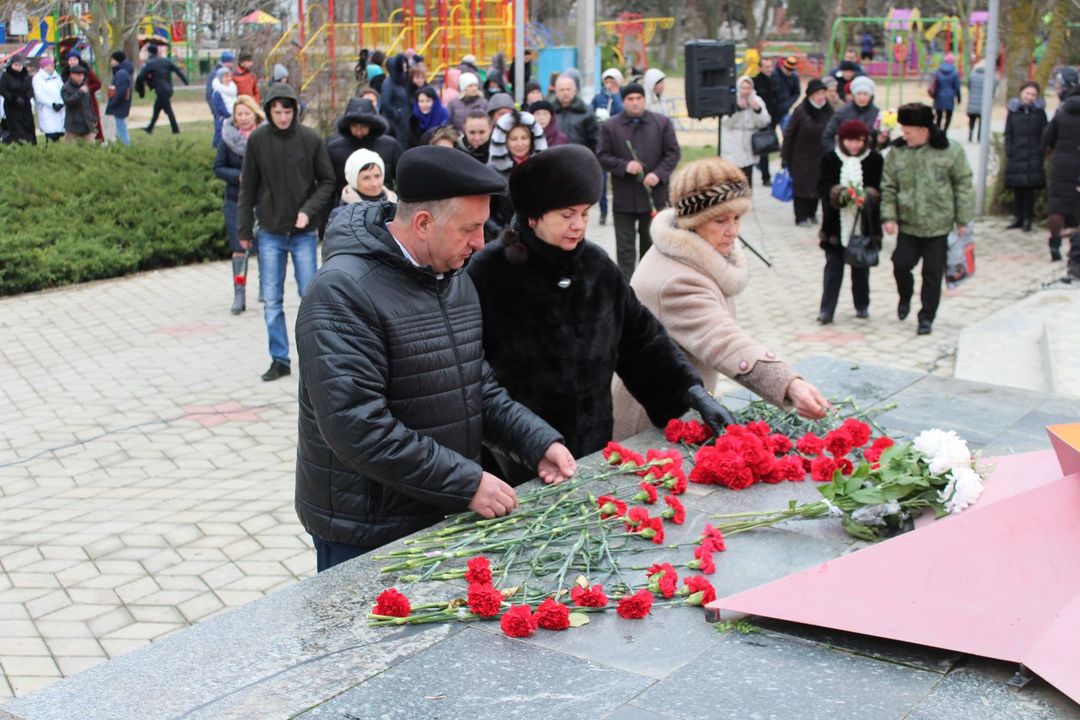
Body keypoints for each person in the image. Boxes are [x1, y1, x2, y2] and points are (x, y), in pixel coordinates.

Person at [295, 145, 575, 570]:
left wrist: (535, 440)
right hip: (368, 529)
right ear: (423, 223)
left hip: (438, 508)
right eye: (469, 229)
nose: (480, 243)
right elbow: (357, 426)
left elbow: (474, 384)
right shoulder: (341, 291)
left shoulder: (453, 277)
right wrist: (466, 483)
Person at [466, 144, 736, 484]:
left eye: (585, 213)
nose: (578, 226)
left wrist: (691, 393)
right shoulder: (489, 273)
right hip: (519, 458)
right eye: (567, 215)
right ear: (533, 215)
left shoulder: (596, 266)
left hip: (593, 449)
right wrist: (523, 443)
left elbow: (641, 341)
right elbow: (471, 373)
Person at [612, 157, 829, 439]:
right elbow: (723, 339)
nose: (733, 231)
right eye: (721, 220)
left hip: (682, 404)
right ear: (694, 222)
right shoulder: (675, 280)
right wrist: (789, 384)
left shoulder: (693, 252)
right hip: (651, 419)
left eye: (737, 218)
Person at [237, 83, 336, 381]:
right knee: (271, 299)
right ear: (268, 111)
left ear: (295, 111)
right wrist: (243, 229)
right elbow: (248, 187)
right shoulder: (257, 140)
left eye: (287, 111)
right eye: (276, 112)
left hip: (303, 232)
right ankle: (279, 358)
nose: (282, 117)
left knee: (310, 295)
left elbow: (328, 181)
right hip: (270, 231)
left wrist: (309, 210)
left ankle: (317, 358)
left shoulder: (309, 139)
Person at [881, 103, 974, 335]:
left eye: (908, 130)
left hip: (938, 226)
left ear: (924, 130)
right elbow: (888, 186)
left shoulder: (951, 151)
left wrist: (963, 220)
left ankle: (927, 317)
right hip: (909, 225)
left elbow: (963, 186)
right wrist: (889, 217)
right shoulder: (898, 153)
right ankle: (905, 297)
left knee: (932, 275)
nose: (905, 135)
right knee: (901, 264)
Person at [598, 82, 680, 277]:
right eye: (630, 99)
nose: (635, 103)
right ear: (623, 101)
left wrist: (657, 174)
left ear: (644, 100)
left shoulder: (661, 123)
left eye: (638, 99)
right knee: (625, 249)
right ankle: (626, 289)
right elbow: (602, 155)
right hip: (623, 199)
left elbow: (673, 153)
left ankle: (648, 285)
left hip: (653, 198)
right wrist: (624, 166)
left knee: (651, 246)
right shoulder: (611, 126)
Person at [817, 119, 883, 323]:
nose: (854, 146)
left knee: (861, 268)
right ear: (841, 140)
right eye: (849, 141)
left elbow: (881, 188)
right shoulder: (830, 159)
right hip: (835, 224)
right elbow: (823, 186)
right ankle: (827, 309)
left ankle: (862, 305)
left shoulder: (874, 159)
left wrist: (868, 196)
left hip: (864, 224)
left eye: (858, 141)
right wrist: (840, 194)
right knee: (833, 268)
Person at [214, 95, 263, 314]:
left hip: (263, 200)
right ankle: (239, 294)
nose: (243, 118)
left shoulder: (265, 137)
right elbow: (219, 167)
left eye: (246, 113)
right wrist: (239, 176)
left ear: (255, 114)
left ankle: (266, 288)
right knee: (238, 247)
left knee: (265, 245)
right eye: (239, 114)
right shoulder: (228, 137)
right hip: (236, 200)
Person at [326, 97, 404, 203]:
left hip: (384, 206)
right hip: (346, 209)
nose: (358, 132)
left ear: (372, 126)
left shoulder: (390, 145)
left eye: (363, 126)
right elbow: (328, 185)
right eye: (354, 126)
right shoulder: (334, 149)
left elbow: (404, 179)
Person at [486, 109, 546, 238]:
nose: (520, 144)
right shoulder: (493, 171)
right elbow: (485, 212)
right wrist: (500, 233)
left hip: (540, 238)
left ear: (532, 140)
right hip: (504, 240)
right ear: (505, 141)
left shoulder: (545, 169)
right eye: (513, 139)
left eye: (524, 138)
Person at [782, 79, 834, 226]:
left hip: (821, 156)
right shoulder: (801, 110)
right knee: (801, 187)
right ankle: (801, 216)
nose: (821, 96)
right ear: (810, 94)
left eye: (823, 93)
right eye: (818, 93)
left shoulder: (828, 110)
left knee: (817, 186)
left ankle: (812, 213)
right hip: (801, 157)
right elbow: (789, 135)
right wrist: (785, 157)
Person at [1041, 85, 1080, 272]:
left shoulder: (1061, 113)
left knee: (1057, 205)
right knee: (1076, 205)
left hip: (1061, 165)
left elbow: (1046, 138)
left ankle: (1055, 245)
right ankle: (1075, 248)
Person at [1003, 81, 1047, 233]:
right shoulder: (1013, 111)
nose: (1029, 97)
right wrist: (1009, 149)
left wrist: (1040, 151)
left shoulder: (1039, 112)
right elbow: (1008, 132)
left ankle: (1028, 218)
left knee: (1029, 189)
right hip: (1017, 154)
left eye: (1033, 94)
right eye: (1027, 93)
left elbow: (1045, 133)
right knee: (1017, 188)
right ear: (1021, 93)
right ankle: (1018, 217)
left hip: (1033, 155)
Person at [720, 76, 771, 187]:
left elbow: (764, 122)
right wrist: (738, 110)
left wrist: (757, 110)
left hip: (749, 144)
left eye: (748, 88)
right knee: (734, 179)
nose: (746, 91)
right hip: (733, 143)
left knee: (748, 179)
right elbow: (726, 123)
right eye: (743, 88)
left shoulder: (757, 100)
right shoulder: (732, 100)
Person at [592, 69, 626, 224]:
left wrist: (616, 95)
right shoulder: (599, 97)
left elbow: (623, 113)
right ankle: (603, 211)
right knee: (602, 180)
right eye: (607, 81)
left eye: (612, 81)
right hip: (602, 143)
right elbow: (590, 114)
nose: (609, 84)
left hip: (618, 143)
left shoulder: (622, 97)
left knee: (619, 178)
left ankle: (619, 210)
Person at [136, 43, 188, 134]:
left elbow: (140, 77)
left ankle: (175, 129)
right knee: (157, 108)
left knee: (168, 110)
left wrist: (141, 89)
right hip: (168, 89)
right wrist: (185, 81)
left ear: (149, 53)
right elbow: (177, 70)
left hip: (161, 90)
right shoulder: (166, 61)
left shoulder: (150, 63)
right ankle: (150, 128)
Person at [821, 75, 882, 152]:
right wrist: (835, 154)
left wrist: (882, 141)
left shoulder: (877, 114)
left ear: (870, 96)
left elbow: (882, 142)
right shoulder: (842, 112)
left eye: (865, 94)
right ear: (853, 95)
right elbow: (827, 136)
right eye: (859, 94)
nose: (862, 98)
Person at [63, 51, 103, 142]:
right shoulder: (65, 73)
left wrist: (87, 90)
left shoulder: (86, 69)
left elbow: (97, 83)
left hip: (89, 100)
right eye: (70, 60)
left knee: (91, 125)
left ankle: (96, 140)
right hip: (74, 106)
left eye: (74, 59)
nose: (72, 62)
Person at [552, 73, 599, 151]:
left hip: (580, 158)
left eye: (568, 89)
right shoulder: (549, 112)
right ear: (556, 92)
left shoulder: (586, 112)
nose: (565, 93)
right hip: (554, 157)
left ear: (575, 91)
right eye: (562, 90)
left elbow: (595, 140)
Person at [753, 57, 778, 186]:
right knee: (762, 149)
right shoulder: (755, 82)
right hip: (758, 120)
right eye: (766, 67)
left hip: (771, 119)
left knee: (766, 148)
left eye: (770, 66)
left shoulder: (774, 80)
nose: (769, 69)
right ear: (760, 68)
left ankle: (765, 175)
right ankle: (764, 175)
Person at [0, 55, 36, 144]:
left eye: (20, 65)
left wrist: (27, 97)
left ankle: (30, 145)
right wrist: (14, 98)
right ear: (11, 65)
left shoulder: (26, 76)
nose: (18, 67)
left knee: (28, 128)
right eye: (16, 65)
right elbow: (2, 89)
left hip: (25, 106)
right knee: (16, 130)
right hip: (12, 106)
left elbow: (31, 89)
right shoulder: (6, 76)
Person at [379, 53, 411, 141]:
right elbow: (385, 102)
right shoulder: (388, 83)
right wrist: (397, 114)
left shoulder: (403, 80)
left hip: (405, 120)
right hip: (396, 123)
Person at [32, 56, 65, 142]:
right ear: (42, 67)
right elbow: (39, 94)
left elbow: (63, 90)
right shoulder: (38, 78)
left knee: (58, 134)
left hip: (59, 108)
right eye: (47, 66)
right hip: (47, 109)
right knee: (50, 133)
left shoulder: (57, 77)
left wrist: (61, 102)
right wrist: (52, 104)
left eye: (51, 66)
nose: (49, 68)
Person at [407, 85, 449, 149]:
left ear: (434, 102)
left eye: (428, 101)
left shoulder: (443, 116)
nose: (425, 105)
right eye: (421, 101)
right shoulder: (413, 119)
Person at [930, 53, 961, 131]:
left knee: (938, 117)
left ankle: (938, 132)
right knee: (948, 116)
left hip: (939, 96)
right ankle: (944, 131)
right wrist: (958, 97)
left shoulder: (938, 71)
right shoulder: (954, 72)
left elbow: (934, 83)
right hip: (950, 97)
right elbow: (957, 86)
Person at [770, 55, 801, 129]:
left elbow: (797, 93)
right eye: (787, 69)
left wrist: (788, 104)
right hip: (772, 110)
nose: (788, 71)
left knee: (787, 131)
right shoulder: (774, 75)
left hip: (785, 110)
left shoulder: (794, 77)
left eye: (791, 70)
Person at [210, 67, 237, 148]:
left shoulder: (232, 89)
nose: (228, 79)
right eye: (226, 77)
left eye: (229, 76)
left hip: (233, 116)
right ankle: (216, 147)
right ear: (220, 78)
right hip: (223, 118)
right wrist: (228, 115)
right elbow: (219, 107)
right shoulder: (218, 92)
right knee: (220, 134)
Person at [966, 61, 985, 143]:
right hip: (983, 103)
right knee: (981, 121)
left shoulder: (972, 75)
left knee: (972, 119)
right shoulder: (988, 77)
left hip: (972, 101)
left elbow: (968, 86)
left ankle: (970, 135)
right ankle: (979, 137)